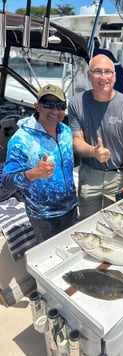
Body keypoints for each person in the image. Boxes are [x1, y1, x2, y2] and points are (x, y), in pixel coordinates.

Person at [2, 84, 78, 244]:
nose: (55, 111)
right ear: (37, 106)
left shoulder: (65, 131)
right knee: (48, 261)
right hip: (43, 217)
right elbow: (7, 183)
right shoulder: (21, 140)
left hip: (70, 208)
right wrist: (34, 173)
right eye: (48, 105)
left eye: (60, 106)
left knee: (70, 253)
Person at [68, 54, 123, 217]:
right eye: (98, 72)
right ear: (89, 75)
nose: (103, 77)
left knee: (117, 228)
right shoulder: (76, 103)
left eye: (108, 72)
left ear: (114, 77)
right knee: (87, 224)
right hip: (89, 174)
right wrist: (94, 151)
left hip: (118, 177)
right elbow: (77, 140)